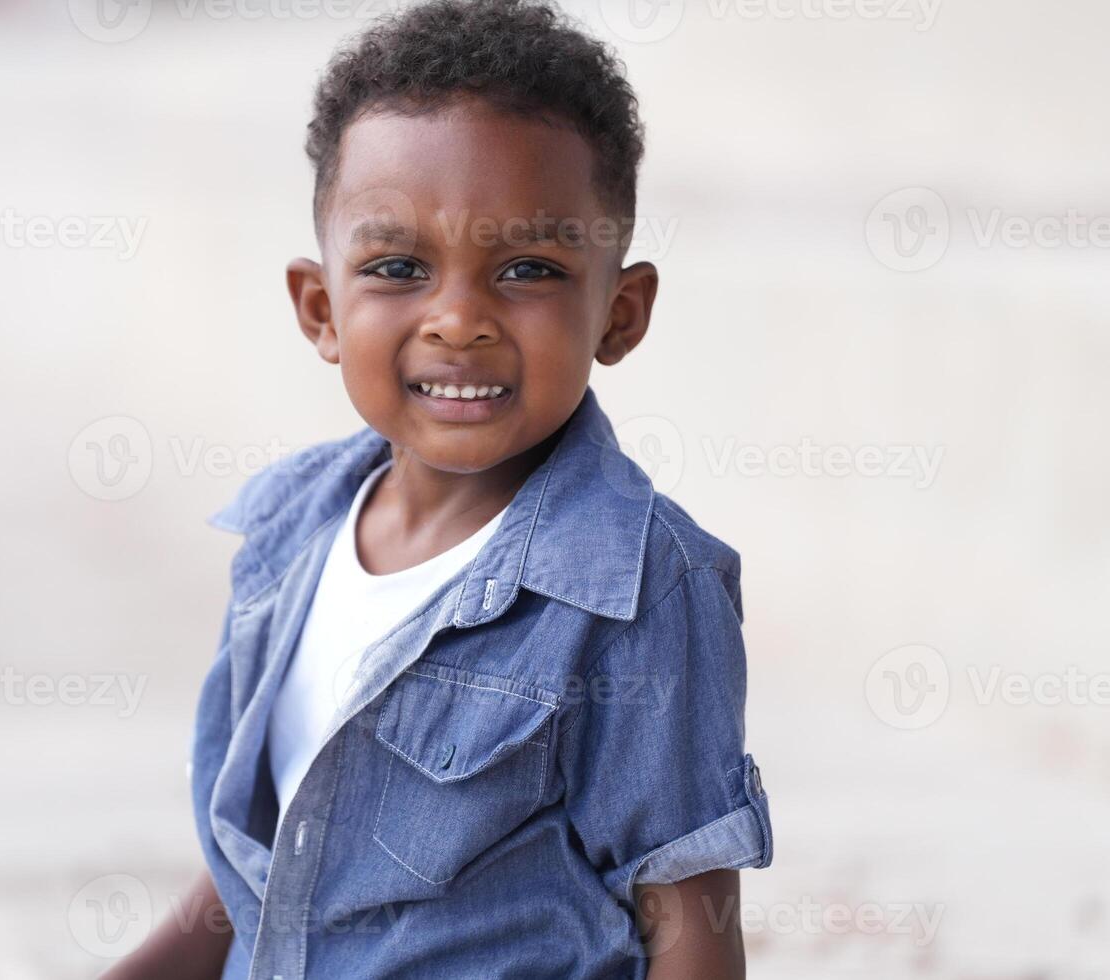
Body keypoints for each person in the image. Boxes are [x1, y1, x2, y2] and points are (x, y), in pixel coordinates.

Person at [106, 0, 772, 975]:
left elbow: (692, 922)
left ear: (618, 315)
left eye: (529, 268)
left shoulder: (639, 589)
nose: (458, 319)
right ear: (320, 308)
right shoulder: (285, 534)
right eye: (399, 266)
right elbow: (268, 863)